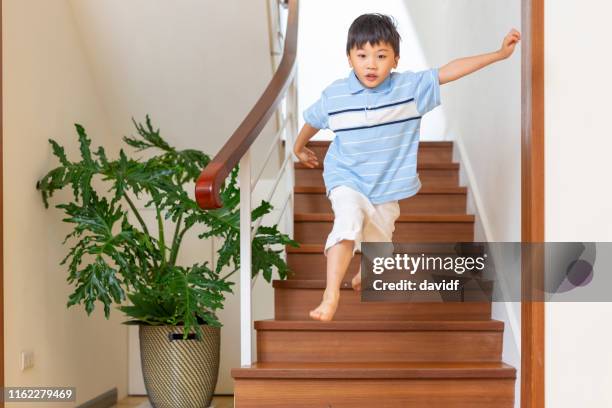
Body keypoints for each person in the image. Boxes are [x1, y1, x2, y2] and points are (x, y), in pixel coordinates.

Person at [293, 13, 520, 321]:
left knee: (380, 252)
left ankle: (366, 271)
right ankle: (331, 294)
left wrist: (498, 54)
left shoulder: (410, 90)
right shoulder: (336, 95)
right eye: (362, 55)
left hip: (386, 190)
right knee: (346, 223)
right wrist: (297, 146)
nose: (371, 64)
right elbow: (312, 120)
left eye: (381, 55)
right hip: (346, 177)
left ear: (395, 60)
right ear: (349, 58)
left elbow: (448, 71)